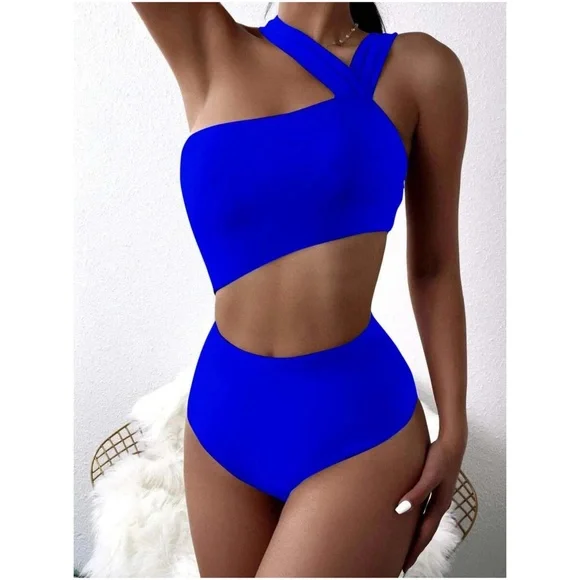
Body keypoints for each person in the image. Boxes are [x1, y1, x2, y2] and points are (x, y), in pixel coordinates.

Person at [133, 2, 468, 577]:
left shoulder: (420, 68)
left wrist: (454, 431)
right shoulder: (208, 43)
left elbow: (435, 267)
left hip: (357, 429)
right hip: (222, 420)